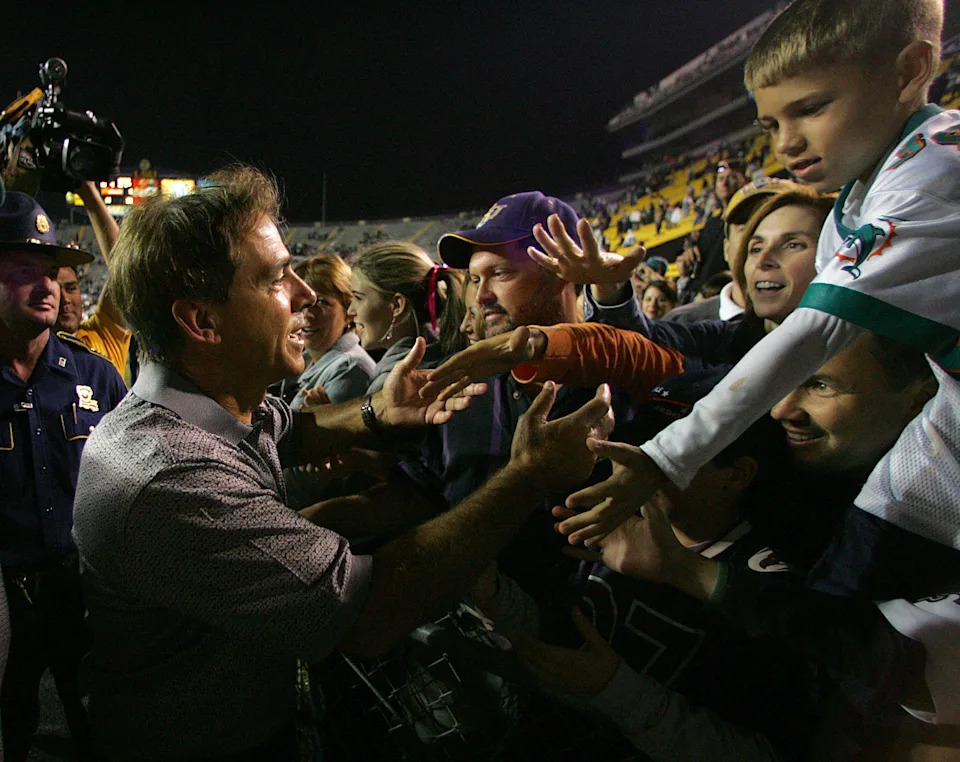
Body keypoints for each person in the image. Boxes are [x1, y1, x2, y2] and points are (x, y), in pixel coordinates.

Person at [70, 165, 614, 761]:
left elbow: (292, 431)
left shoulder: (199, 408)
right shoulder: (171, 476)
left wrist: (377, 413)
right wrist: (527, 475)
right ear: (202, 321)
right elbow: (367, 612)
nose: (306, 298)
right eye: (278, 279)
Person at [529, 0, 960, 599]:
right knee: (845, 615)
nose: (786, 143)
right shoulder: (859, 198)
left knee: (862, 631)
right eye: (770, 125)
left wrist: (665, 458)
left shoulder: (937, 170)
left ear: (911, 69)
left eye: (809, 109)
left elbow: (813, 335)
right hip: (939, 435)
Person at [0, 191, 127, 762]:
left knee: (104, 730)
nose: (47, 285)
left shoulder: (95, 375)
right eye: (26, 270)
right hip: (3, 601)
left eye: (52, 272)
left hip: (85, 595)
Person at [663, 177, 806, 323]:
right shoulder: (681, 324)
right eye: (746, 229)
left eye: (791, 244)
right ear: (726, 249)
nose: (763, 248)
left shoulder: (825, 326)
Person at [347, 240, 465, 394]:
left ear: (397, 305)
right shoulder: (438, 357)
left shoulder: (395, 383)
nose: (350, 311)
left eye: (359, 298)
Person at [54, 181, 131, 383]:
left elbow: (124, 268)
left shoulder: (103, 334)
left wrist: (90, 195)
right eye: (56, 289)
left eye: (71, 288)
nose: (65, 299)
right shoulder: (31, 349)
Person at [275, 253, 375, 407]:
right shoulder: (304, 357)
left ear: (348, 311)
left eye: (322, 303)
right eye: (303, 302)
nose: (308, 314)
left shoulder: (350, 370)